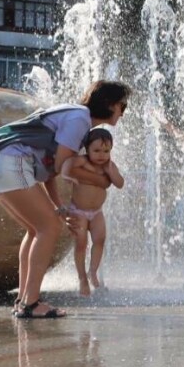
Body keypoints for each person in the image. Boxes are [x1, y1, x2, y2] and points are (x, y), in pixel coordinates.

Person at [0, 80, 130, 319]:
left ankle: (24, 299)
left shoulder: (79, 122)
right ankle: (32, 303)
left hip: (5, 165)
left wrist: (59, 206)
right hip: (12, 162)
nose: (123, 111)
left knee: (37, 230)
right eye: (121, 105)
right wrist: (102, 181)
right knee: (48, 227)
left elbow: (50, 173)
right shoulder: (80, 118)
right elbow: (63, 167)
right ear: (108, 103)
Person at [60, 127, 124, 296]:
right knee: (81, 244)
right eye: (96, 150)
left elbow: (120, 183)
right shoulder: (83, 162)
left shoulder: (108, 166)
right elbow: (67, 163)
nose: (101, 155)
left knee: (100, 240)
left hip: (96, 212)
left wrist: (111, 171)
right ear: (87, 149)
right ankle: (82, 278)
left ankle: (92, 271)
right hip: (78, 211)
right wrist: (67, 176)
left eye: (106, 151)